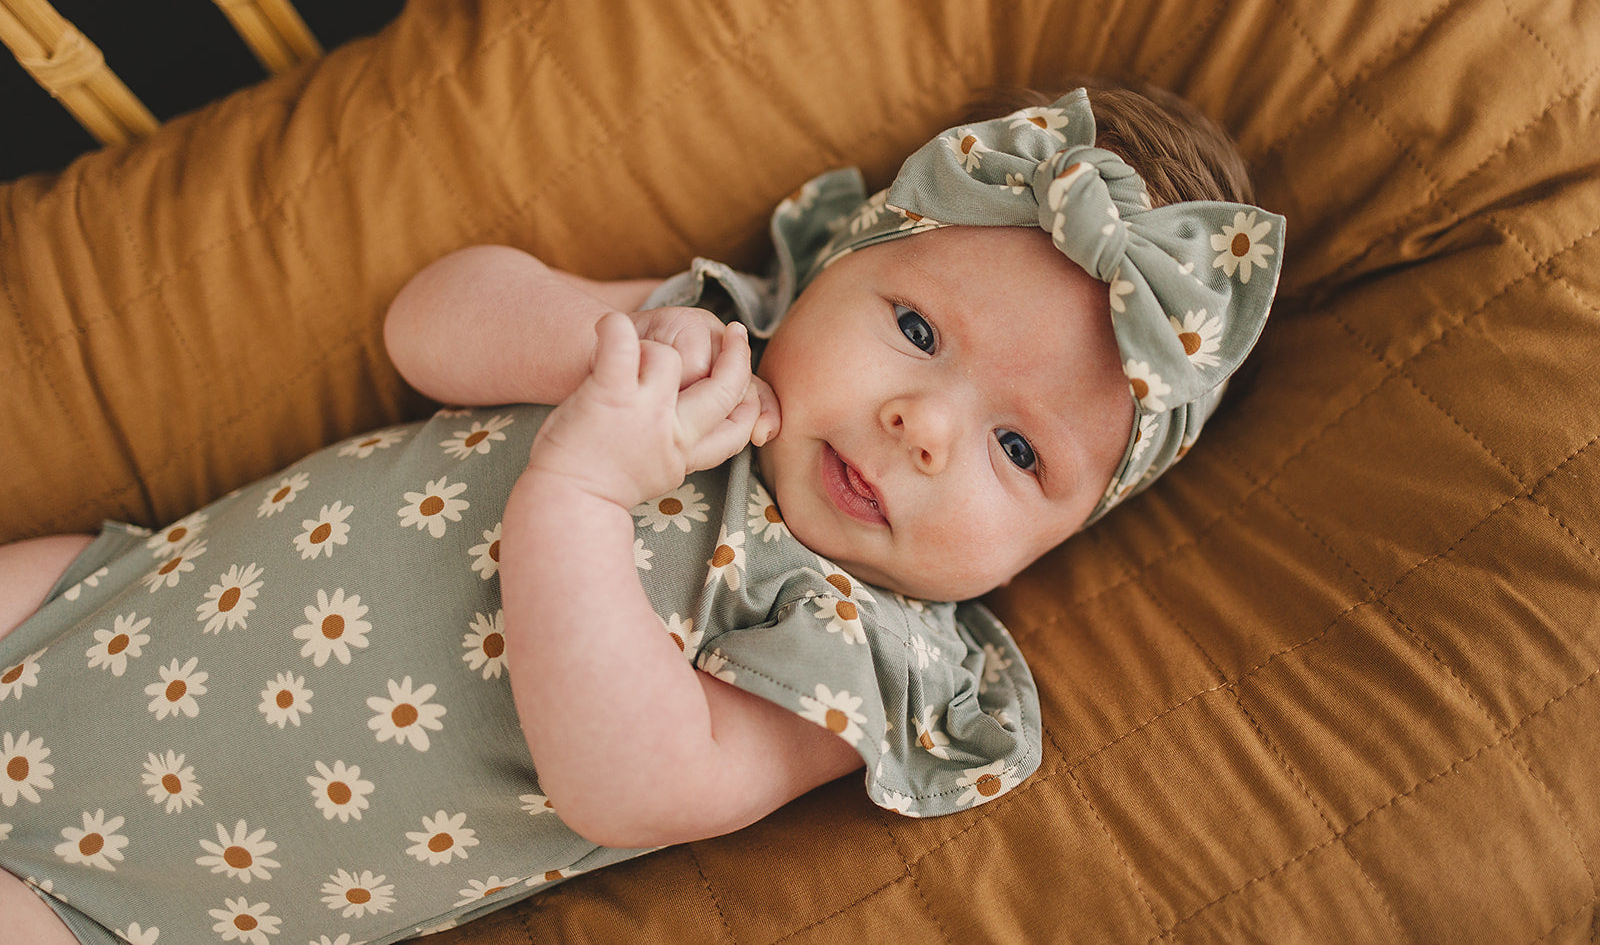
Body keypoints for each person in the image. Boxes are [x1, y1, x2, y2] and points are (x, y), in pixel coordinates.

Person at [0, 81, 1284, 944]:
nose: (923, 422)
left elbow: (628, 782)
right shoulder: (704, 343)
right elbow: (428, 326)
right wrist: (598, 338)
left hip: (119, 897)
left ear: (1058, 540)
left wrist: (580, 489)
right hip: (93, 601)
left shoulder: (863, 648)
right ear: (837, 260)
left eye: (1016, 447)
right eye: (913, 327)